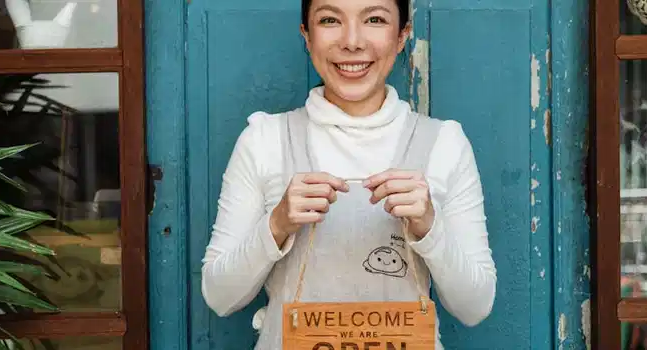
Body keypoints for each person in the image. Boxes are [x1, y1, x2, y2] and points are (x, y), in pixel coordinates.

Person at [201, 0, 497, 348]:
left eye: (374, 19)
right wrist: (277, 223)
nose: (352, 41)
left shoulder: (444, 144)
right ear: (307, 36)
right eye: (330, 20)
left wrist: (430, 226)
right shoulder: (264, 141)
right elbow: (219, 297)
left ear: (402, 35)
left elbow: (475, 307)